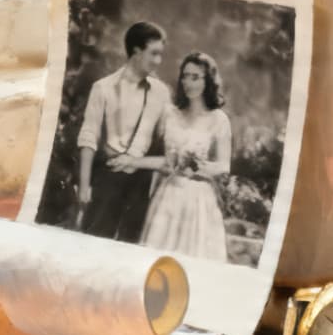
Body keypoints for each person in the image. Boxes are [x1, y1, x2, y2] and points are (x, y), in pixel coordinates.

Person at [75, 22, 171, 242]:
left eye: (161, 55)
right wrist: (84, 186)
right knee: (95, 241)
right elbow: (88, 137)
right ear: (136, 52)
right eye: (153, 54)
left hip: (141, 183)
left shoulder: (161, 92)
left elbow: (167, 140)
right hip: (108, 178)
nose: (158, 61)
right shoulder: (103, 88)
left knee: (130, 244)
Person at [139, 52, 232, 262]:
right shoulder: (170, 114)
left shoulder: (218, 119)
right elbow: (163, 159)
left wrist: (199, 166)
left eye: (195, 77)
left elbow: (224, 166)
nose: (188, 83)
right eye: (185, 76)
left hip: (199, 199)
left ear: (208, 81)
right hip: (169, 195)